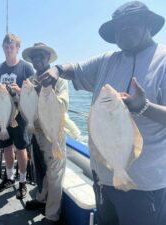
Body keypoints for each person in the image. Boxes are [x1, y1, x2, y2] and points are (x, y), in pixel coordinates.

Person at [40, 1, 166, 225]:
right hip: (103, 178)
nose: (123, 31)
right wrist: (57, 69)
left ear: (148, 23)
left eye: (130, 24)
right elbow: (75, 69)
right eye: (118, 27)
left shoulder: (163, 60)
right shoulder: (107, 60)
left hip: (143, 185)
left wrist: (143, 107)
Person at [21, 43, 68, 225]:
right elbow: (25, 107)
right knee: (42, 169)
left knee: (55, 173)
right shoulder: (30, 80)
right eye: (34, 57)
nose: (37, 60)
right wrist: (17, 95)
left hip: (54, 132)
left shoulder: (60, 79)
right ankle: (41, 198)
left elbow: (63, 105)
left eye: (41, 56)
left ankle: (52, 216)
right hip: (36, 132)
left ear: (48, 58)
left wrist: (44, 90)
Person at [0, 33, 34, 199]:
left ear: (17, 49)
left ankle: (22, 181)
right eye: (6, 47)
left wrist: (20, 91)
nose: (9, 50)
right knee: (7, 147)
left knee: (21, 149)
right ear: (3, 48)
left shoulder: (26, 68)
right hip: (2, 114)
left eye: (12, 47)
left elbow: (33, 92)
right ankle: (9, 178)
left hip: (20, 116)